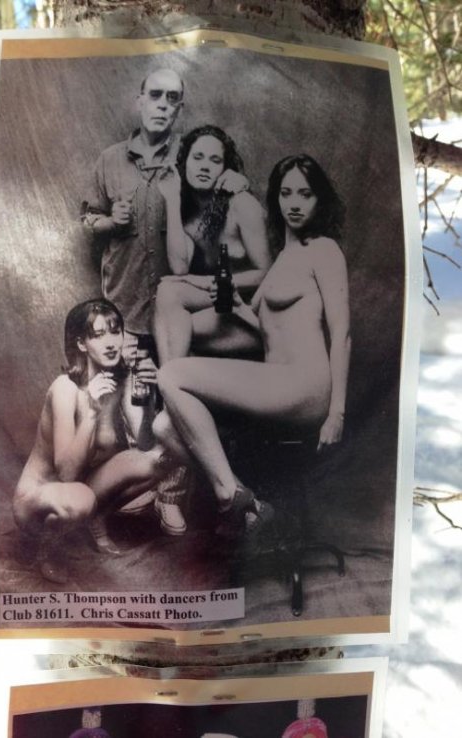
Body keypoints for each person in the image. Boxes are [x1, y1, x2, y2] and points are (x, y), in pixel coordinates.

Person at [81, 69, 248, 536]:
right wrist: (108, 221)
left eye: (172, 98)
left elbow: (222, 198)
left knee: (177, 409)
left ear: (179, 108)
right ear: (139, 101)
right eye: (154, 95)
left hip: (180, 314)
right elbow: (87, 218)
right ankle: (145, 487)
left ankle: (171, 497)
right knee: (137, 408)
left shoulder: (191, 157)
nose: (162, 104)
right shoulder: (110, 160)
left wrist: (236, 182)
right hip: (125, 305)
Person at [157, 154, 350, 535]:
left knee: (171, 375)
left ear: (320, 200)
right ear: (276, 198)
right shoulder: (284, 258)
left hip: (304, 385)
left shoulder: (324, 250)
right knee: (165, 425)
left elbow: (342, 332)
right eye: (286, 193)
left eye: (306, 194)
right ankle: (252, 506)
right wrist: (232, 305)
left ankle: (229, 495)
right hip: (274, 383)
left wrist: (337, 413)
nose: (294, 203)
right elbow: (267, 330)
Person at [12, 298, 178, 584]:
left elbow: (144, 445)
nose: (111, 343)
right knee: (81, 498)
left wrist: (150, 393)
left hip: (82, 491)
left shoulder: (119, 382)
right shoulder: (65, 389)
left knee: (160, 459)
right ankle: (47, 547)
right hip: (38, 500)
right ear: (81, 344)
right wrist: (91, 410)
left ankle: (96, 518)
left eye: (115, 332)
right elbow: (67, 474)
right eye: (98, 335)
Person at [154, 125, 272, 364]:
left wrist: (205, 281)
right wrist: (172, 198)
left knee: (173, 327)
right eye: (197, 157)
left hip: (251, 314)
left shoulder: (241, 205)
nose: (205, 166)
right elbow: (179, 268)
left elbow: (267, 274)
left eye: (215, 160)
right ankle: (172, 379)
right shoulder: (187, 211)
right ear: (184, 163)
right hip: (217, 310)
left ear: (225, 169)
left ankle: (170, 379)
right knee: (168, 303)